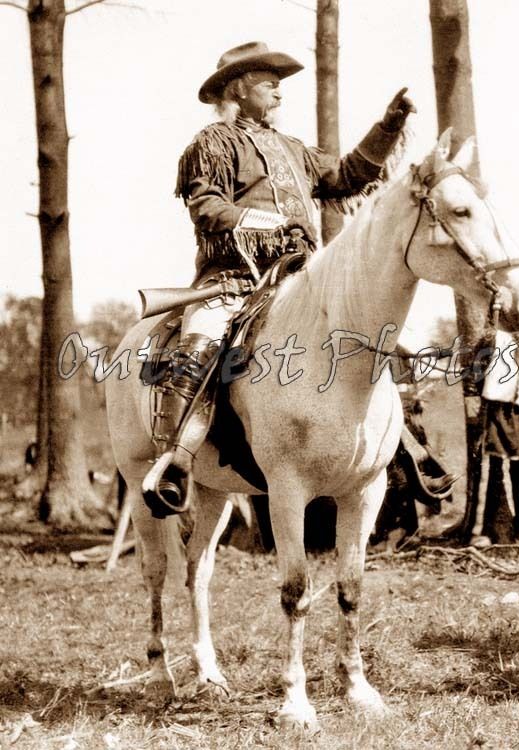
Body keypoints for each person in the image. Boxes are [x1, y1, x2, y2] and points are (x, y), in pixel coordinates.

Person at [142, 41, 417, 516]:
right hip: (233, 279)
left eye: (278, 84)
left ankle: (401, 451)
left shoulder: (294, 150)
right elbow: (206, 208)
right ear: (239, 89)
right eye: (268, 82)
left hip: (300, 278)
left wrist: (387, 127)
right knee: (200, 346)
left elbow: (348, 176)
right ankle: (175, 462)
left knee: (378, 343)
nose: (278, 92)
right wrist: (269, 224)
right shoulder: (212, 142)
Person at [464, 328, 519, 546]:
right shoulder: (493, 339)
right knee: (490, 469)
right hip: (494, 410)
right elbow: (475, 372)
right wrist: (478, 402)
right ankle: (481, 530)